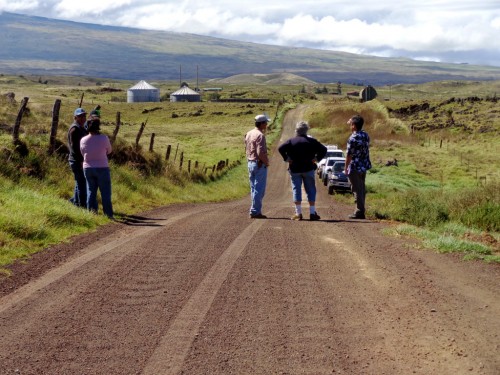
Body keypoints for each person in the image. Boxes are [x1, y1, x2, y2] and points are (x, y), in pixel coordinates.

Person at [278, 121, 327, 221]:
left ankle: (298, 213)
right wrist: (317, 159)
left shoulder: (291, 141)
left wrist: (287, 159)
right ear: (306, 130)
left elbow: (280, 148)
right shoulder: (312, 141)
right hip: (308, 168)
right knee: (311, 190)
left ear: (296, 130)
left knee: (296, 189)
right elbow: (324, 149)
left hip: (295, 169)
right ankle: (312, 213)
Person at [80, 117, 114, 219]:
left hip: (88, 167)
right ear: (98, 127)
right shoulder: (104, 138)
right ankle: (108, 214)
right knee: (105, 192)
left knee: (90, 191)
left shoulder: (83, 139)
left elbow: (82, 153)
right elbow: (109, 151)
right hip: (102, 167)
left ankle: (91, 214)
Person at [344, 114, 372, 219]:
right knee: (361, 188)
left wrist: (346, 167)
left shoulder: (352, 138)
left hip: (355, 166)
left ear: (354, 126)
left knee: (356, 189)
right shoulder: (365, 135)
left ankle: (360, 211)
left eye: (351, 124)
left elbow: (349, 155)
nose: (350, 126)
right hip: (363, 165)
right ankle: (360, 209)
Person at [245, 114, 270, 218]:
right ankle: (255, 211)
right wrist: (266, 162)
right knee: (259, 189)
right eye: (266, 123)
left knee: (253, 188)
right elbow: (260, 152)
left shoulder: (249, 133)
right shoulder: (260, 135)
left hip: (250, 162)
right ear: (262, 123)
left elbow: (246, 147)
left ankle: (254, 209)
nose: (267, 125)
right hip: (259, 163)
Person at [67, 107, 88, 207]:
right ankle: (82, 206)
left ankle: (75, 202)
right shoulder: (75, 129)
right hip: (76, 160)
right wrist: (80, 161)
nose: (83, 118)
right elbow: (74, 148)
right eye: (80, 116)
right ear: (75, 117)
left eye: (84, 116)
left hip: (79, 160)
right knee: (81, 184)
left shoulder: (82, 127)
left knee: (79, 182)